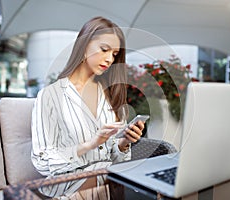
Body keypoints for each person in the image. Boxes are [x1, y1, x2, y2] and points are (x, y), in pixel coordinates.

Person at [31, 16, 145, 199]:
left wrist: (124, 144)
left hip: (107, 184)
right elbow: (41, 161)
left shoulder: (111, 95)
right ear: (84, 46)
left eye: (114, 54)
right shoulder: (50, 96)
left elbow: (116, 161)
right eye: (104, 49)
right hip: (70, 188)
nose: (109, 59)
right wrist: (90, 144)